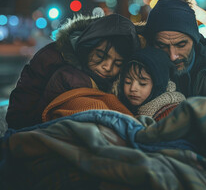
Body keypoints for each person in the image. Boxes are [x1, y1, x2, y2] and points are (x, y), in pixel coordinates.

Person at [6, 14, 140, 129]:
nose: (108, 67)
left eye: (118, 63)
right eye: (100, 56)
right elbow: (18, 117)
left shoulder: (123, 79)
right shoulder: (52, 58)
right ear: (87, 47)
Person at [119, 47, 185, 121]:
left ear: (158, 85)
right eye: (128, 82)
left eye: (142, 83)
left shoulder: (170, 114)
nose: (132, 88)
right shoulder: (121, 105)